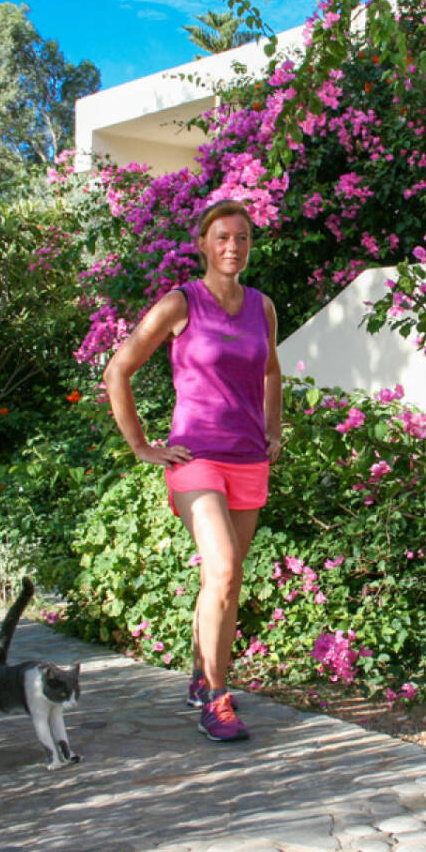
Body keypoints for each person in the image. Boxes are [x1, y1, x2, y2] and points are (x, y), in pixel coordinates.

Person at [103, 199, 282, 743]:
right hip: (195, 459)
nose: (234, 246)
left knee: (222, 583)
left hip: (249, 457)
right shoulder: (180, 304)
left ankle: (199, 675)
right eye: (223, 237)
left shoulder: (262, 307)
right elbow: (119, 370)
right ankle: (214, 696)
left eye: (243, 238)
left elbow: (272, 372)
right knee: (224, 570)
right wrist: (141, 446)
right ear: (204, 244)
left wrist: (274, 430)